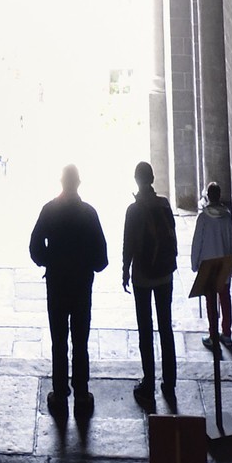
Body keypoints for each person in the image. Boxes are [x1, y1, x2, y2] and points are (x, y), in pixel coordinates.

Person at [29, 163, 108, 420]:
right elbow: (101, 258)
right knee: (81, 341)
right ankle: (82, 394)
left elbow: (34, 247)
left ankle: (60, 393)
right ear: (79, 183)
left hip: (57, 283)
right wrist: (89, 265)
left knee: (59, 340)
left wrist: (48, 261)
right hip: (81, 285)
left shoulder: (49, 210)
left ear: (61, 182)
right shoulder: (89, 213)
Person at [121, 160, 178, 407]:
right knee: (166, 326)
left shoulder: (133, 210)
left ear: (136, 180)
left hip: (143, 275)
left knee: (146, 328)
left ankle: (149, 383)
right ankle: (170, 382)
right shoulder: (164, 204)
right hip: (165, 274)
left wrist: (125, 271)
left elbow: (128, 245)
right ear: (153, 178)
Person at [190, 179, 232, 351]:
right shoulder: (227, 218)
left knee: (211, 300)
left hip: (208, 264)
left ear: (208, 197)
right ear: (219, 197)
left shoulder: (203, 218)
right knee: (225, 298)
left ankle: (213, 335)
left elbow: (197, 242)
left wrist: (195, 263)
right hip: (224, 264)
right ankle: (226, 333)